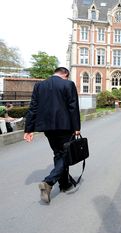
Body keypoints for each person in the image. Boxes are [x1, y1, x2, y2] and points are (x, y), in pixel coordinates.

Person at [23, 67, 81, 204]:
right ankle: (48, 182)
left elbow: (33, 107)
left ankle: (64, 184)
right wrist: (76, 127)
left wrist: (28, 130)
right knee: (66, 155)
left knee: (58, 154)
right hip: (65, 126)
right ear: (65, 74)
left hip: (47, 127)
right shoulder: (68, 84)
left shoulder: (39, 85)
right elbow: (73, 107)